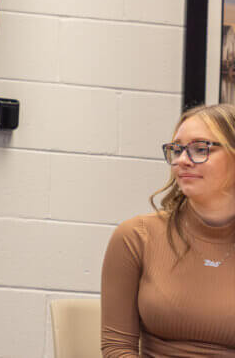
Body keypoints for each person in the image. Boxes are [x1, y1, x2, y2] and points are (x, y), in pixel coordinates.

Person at [101, 104, 235, 356]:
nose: (182, 161)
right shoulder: (137, 236)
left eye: (200, 149)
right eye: (177, 150)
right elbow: (117, 348)